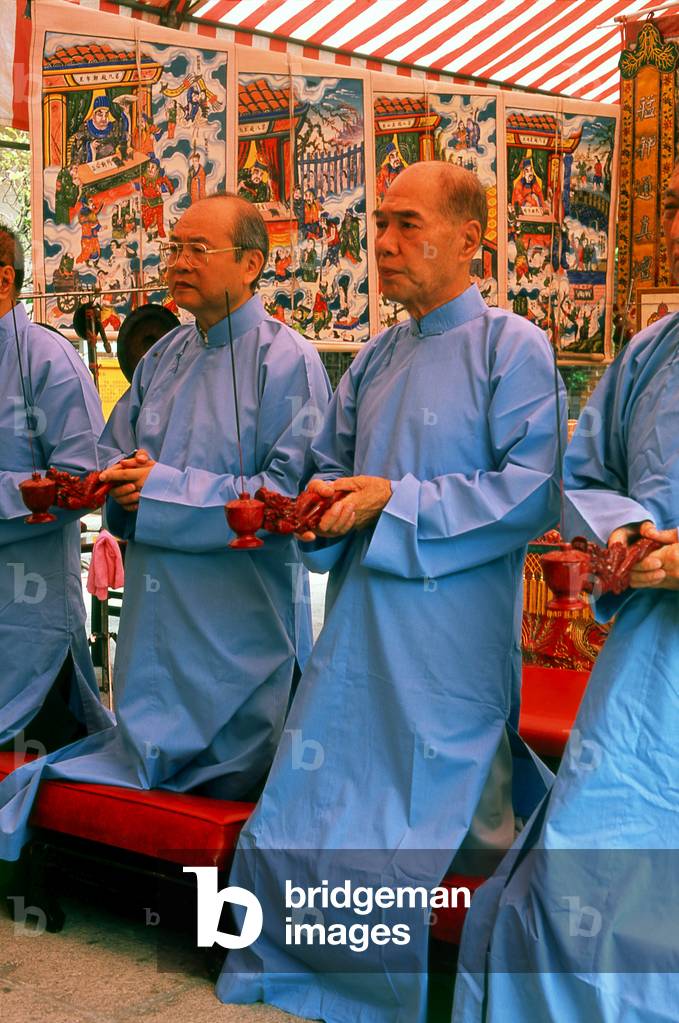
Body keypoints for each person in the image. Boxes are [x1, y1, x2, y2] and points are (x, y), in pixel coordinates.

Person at [217, 162, 563, 1023]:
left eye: (406, 224)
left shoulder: (509, 346)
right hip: (360, 630)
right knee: (308, 801)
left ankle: (383, 982)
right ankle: (285, 964)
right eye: (379, 223)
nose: (381, 242)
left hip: (451, 639)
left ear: (469, 240)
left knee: (409, 825)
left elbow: (532, 489)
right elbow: (332, 469)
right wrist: (320, 509)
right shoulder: (374, 354)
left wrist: (392, 501)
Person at [0, 195, 330, 861]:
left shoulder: (287, 361)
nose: (175, 262)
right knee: (133, 757)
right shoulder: (164, 356)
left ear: (251, 264)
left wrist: (167, 487)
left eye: (195, 249)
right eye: (172, 247)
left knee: (226, 772)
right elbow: (109, 460)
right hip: (158, 626)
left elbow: (290, 499)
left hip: (240, 627)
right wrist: (117, 483)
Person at [452, 162, 679, 1023]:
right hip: (647, 663)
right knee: (580, 865)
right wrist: (624, 530)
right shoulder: (653, 350)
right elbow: (588, 472)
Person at [0, 223, 111, 756]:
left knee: (38, 775)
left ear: (4, 280)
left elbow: (82, 482)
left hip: (27, 617)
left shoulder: (50, 360)